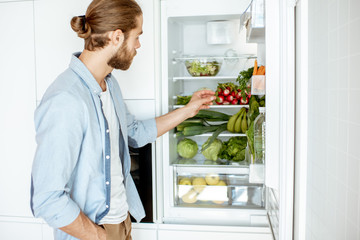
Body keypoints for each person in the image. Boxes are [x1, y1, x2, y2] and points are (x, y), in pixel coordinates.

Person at [30, 0, 215, 239]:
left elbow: (134, 132)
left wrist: (188, 110)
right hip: (93, 230)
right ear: (117, 37)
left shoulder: (109, 83)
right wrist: (102, 237)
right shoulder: (66, 99)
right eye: (136, 36)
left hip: (121, 219)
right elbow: (47, 199)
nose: (138, 45)